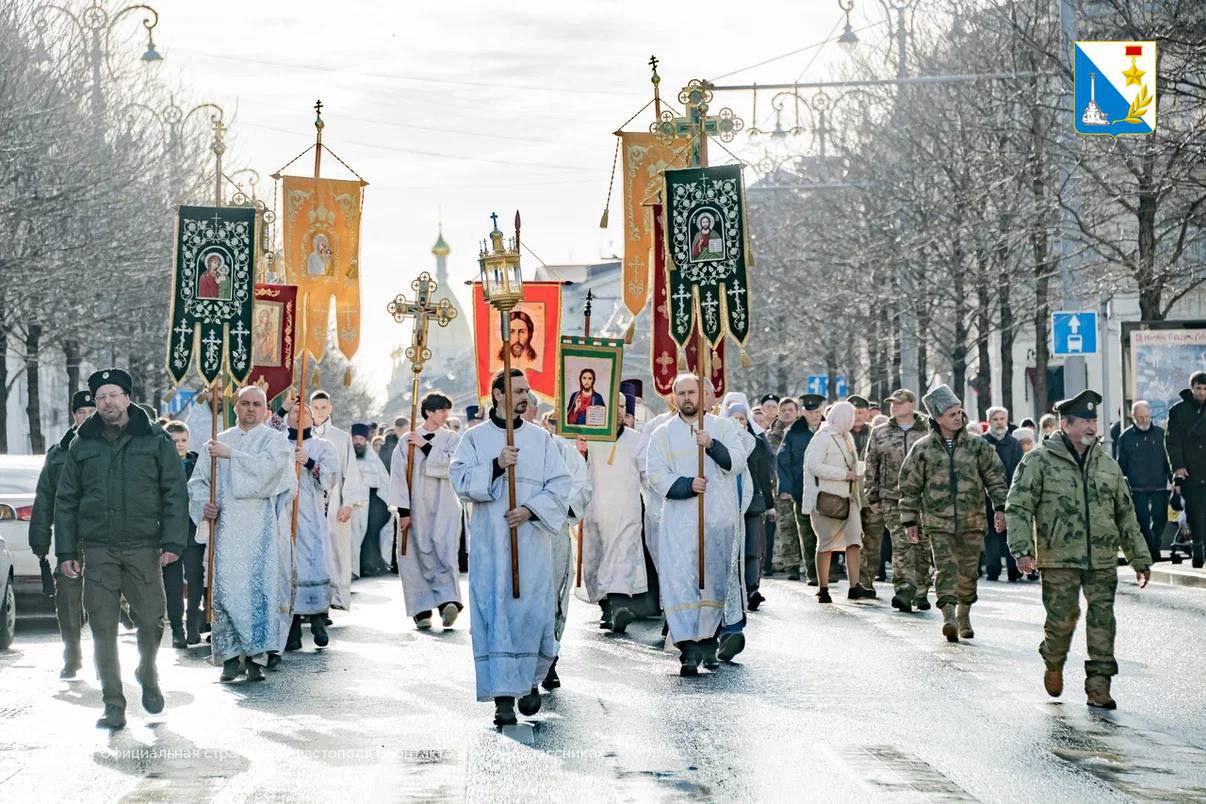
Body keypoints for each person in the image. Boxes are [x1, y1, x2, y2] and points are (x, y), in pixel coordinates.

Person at [54, 369, 187, 730]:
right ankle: (113, 701)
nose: (107, 402)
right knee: (101, 626)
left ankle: (147, 669)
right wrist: (65, 552)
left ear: (127, 397)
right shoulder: (83, 443)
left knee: (151, 620)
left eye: (113, 395)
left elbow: (174, 491)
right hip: (98, 549)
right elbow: (66, 500)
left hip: (144, 546)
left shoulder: (155, 439)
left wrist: (173, 542)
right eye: (100, 397)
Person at [1007, 390, 1152, 709]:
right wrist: (1022, 549)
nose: (1091, 426)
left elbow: (1125, 514)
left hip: (1101, 557)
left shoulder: (1107, 464)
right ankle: (1054, 659)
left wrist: (1139, 557)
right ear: (1066, 424)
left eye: (1093, 420)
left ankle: (1099, 686)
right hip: (1058, 556)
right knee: (1062, 619)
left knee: (1103, 619)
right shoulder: (1038, 461)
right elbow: (1018, 507)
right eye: (1084, 421)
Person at [449, 369, 571, 726]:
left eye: (527, 390)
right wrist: (496, 466)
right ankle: (503, 697)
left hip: (531, 545)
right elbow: (459, 480)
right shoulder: (474, 439)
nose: (525, 396)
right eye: (518, 390)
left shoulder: (540, 439)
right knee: (495, 615)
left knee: (532, 613)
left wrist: (531, 510)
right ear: (498, 394)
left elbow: (560, 484)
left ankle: (529, 680)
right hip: (491, 546)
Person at [188, 386, 294, 682]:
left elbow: (271, 473)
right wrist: (203, 507)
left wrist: (232, 455)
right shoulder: (217, 442)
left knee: (258, 592)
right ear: (235, 407)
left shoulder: (275, 441)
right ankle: (230, 657)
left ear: (264, 409)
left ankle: (256, 657)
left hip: (259, 529)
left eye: (256, 404)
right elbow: (198, 482)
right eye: (244, 403)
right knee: (226, 591)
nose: (250, 409)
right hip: (226, 528)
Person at [645, 373, 749, 676]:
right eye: (682, 393)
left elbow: (738, 463)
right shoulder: (662, 434)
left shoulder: (723, 428)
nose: (687, 398)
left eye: (692, 392)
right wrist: (688, 485)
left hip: (716, 520)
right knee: (680, 579)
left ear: (704, 395)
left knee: (712, 579)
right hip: (679, 520)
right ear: (674, 396)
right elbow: (655, 474)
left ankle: (706, 639)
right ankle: (687, 647)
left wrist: (712, 445)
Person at [899, 385, 1008, 643]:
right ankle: (948, 616)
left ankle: (964, 614)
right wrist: (910, 520)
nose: (958, 417)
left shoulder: (977, 446)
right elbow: (909, 485)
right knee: (946, 568)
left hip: (972, 520)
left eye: (959, 412)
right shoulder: (923, 448)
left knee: (968, 571)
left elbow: (995, 477)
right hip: (938, 522)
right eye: (951, 414)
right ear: (938, 419)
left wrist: (1001, 508)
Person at [28, 390, 95, 678]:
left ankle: (105, 656)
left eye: (92, 412)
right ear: (74, 416)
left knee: (103, 597)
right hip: (69, 538)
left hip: (104, 536)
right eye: (82, 412)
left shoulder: (114, 446)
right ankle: (72, 653)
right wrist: (40, 541)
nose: (87, 417)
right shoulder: (58, 454)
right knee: (67, 596)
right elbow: (44, 499)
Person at [386, 393, 464, 631]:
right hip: (416, 505)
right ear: (429, 412)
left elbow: (454, 466)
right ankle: (421, 609)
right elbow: (398, 478)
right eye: (442, 411)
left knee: (444, 550)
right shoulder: (405, 442)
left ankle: (448, 602)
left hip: (444, 505)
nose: (446, 415)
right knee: (417, 553)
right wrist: (404, 511)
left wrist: (426, 446)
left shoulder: (452, 438)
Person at [581, 393, 652, 633]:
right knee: (595, 559)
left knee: (622, 558)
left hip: (626, 511)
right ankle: (607, 608)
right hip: (596, 510)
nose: (619, 411)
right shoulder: (589, 438)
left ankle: (620, 606)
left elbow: (647, 475)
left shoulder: (636, 439)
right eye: (615, 406)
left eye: (622, 406)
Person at [275, 403, 339, 651]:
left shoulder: (323, 446)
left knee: (313, 563)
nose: (298, 415)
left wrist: (309, 462)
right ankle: (291, 627)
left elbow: (330, 478)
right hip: (284, 510)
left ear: (313, 419)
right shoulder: (278, 442)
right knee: (287, 565)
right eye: (294, 412)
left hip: (310, 512)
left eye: (304, 413)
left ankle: (318, 620)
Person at [539, 408, 591, 691]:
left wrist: (550, 510)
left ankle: (549, 659)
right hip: (516, 534)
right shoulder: (506, 446)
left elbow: (581, 485)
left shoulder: (560, 448)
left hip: (553, 533)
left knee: (552, 597)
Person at [802, 402, 872, 603]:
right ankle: (822, 588)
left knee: (854, 542)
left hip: (849, 500)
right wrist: (844, 474)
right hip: (827, 500)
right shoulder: (823, 437)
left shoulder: (846, 436)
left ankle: (854, 586)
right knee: (825, 544)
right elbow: (813, 466)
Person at [307, 390, 368, 611]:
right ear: (310, 408)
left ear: (330, 408)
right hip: (308, 501)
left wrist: (348, 503)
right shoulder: (302, 434)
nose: (320, 411)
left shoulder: (341, 438)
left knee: (335, 550)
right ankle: (308, 600)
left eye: (324, 407)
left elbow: (350, 472)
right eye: (315, 407)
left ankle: (334, 597)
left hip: (334, 502)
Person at [727, 402, 773, 611]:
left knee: (752, 547)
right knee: (730, 548)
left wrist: (770, 505)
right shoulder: (721, 442)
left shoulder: (756, 443)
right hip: (728, 502)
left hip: (753, 502)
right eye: (734, 418)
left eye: (742, 418)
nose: (738, 422)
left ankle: (752, 588)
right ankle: (730, 589)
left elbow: (764, 475)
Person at [777, 394, 825, 583]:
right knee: (806, 534)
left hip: (828, 490)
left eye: (817, 412)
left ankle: (829, 570)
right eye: (810, 412)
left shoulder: (829, 430)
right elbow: (783, 460)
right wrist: (786, 488)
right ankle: (813, 573)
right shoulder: (794, 433)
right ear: (803, 413)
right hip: (802, 490)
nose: (814, 415)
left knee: (826, 532)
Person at [1117, 401, 1172, 564]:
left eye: (1147, 416)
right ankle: (1151, 549)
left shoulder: (1161, 434)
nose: (1144, 420)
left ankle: (1154, 545)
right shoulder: (1126, 437)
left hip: (1159, 485)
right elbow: (1122, 465)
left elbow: (1168, 459)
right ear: (1133, 417)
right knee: (1142, 520)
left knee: (1161, 518)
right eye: (1140, 417)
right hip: (1137, 487)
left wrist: (1173, 479)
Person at [162, 421, 201, 648]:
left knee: (195, 575)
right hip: (170, 532)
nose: (179, 445)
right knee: (173, 580)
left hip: (193, 529)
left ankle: (193, 622)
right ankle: (177, 627)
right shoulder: (161, 464)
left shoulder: (197, 462)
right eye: (175, 441)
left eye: (183, 440)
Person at [1165, 371, 1206, 568]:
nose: (1202, 392)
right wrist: (1178, 467)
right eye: (1198, 388)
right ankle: (1198, 549)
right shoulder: (1178, 411)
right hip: (1190, 470)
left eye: (1205, 388)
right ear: (1192, 388)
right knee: (1195, 512)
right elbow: (1172, 441)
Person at [983, 407, 1024, 582]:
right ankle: (993, 569)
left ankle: (1014, 569)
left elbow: (1018, 467)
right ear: (989, 422)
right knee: (991, 534)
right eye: (995, 419)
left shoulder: (1013, 443)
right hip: (987, 497)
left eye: (1002, 419)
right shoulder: (982, 442)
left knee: (1011, 532)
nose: (999, 422)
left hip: (1010, 495)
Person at [848, 395, 883, 595]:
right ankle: (856, 581)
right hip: (850, 494)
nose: (858, 416)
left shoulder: (876, 433)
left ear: (867, 413)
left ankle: (867, 580)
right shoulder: (842, 433)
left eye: (861, 412)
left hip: (870, 495)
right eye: (853, 413)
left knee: (873, 540)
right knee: (853, 539)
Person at [351, 423, 393, 577]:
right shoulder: (348, 454)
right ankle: (353, 568)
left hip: (372, 504)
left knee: (369, 535)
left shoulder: (372, 457)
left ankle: (368, 565)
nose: (358, 442)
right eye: (355, 438)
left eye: (361, 439)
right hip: (352, 503)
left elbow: (381, 481)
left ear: (366, 440)